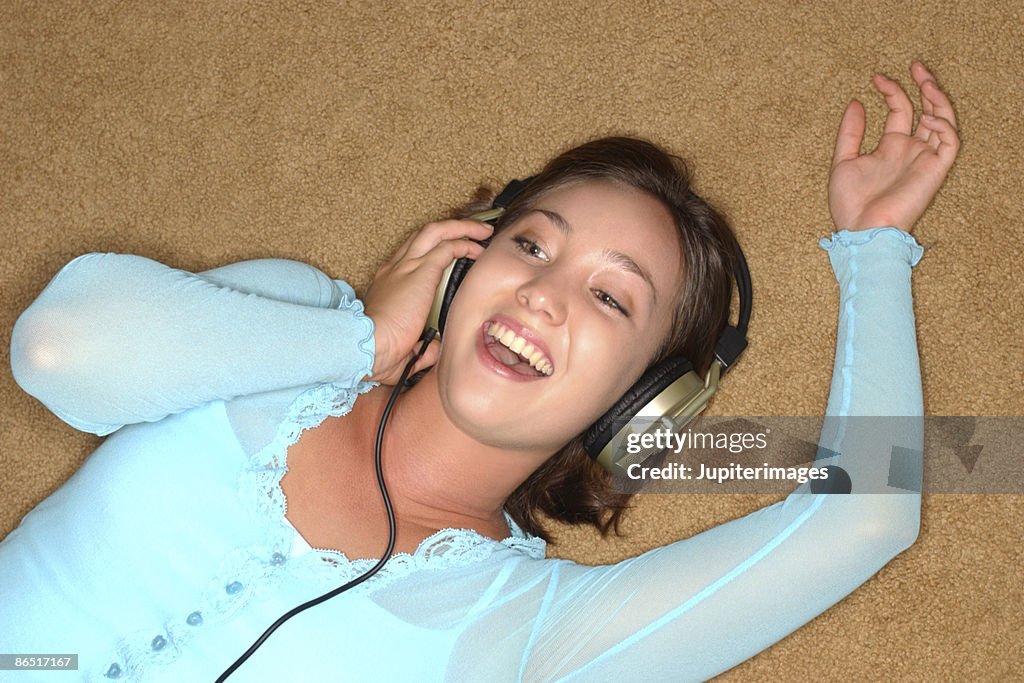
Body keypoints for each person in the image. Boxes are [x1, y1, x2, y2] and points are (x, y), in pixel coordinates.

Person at [1, 61, 958, 682]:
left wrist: (873, 249)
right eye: (533, 245)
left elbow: (867, 511)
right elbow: (60, 351)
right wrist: (357, 345)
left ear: (640, 403)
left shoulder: (537, 637)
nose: (544, 295)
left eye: (611, 299)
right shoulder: (288, 320)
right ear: (462, 262)